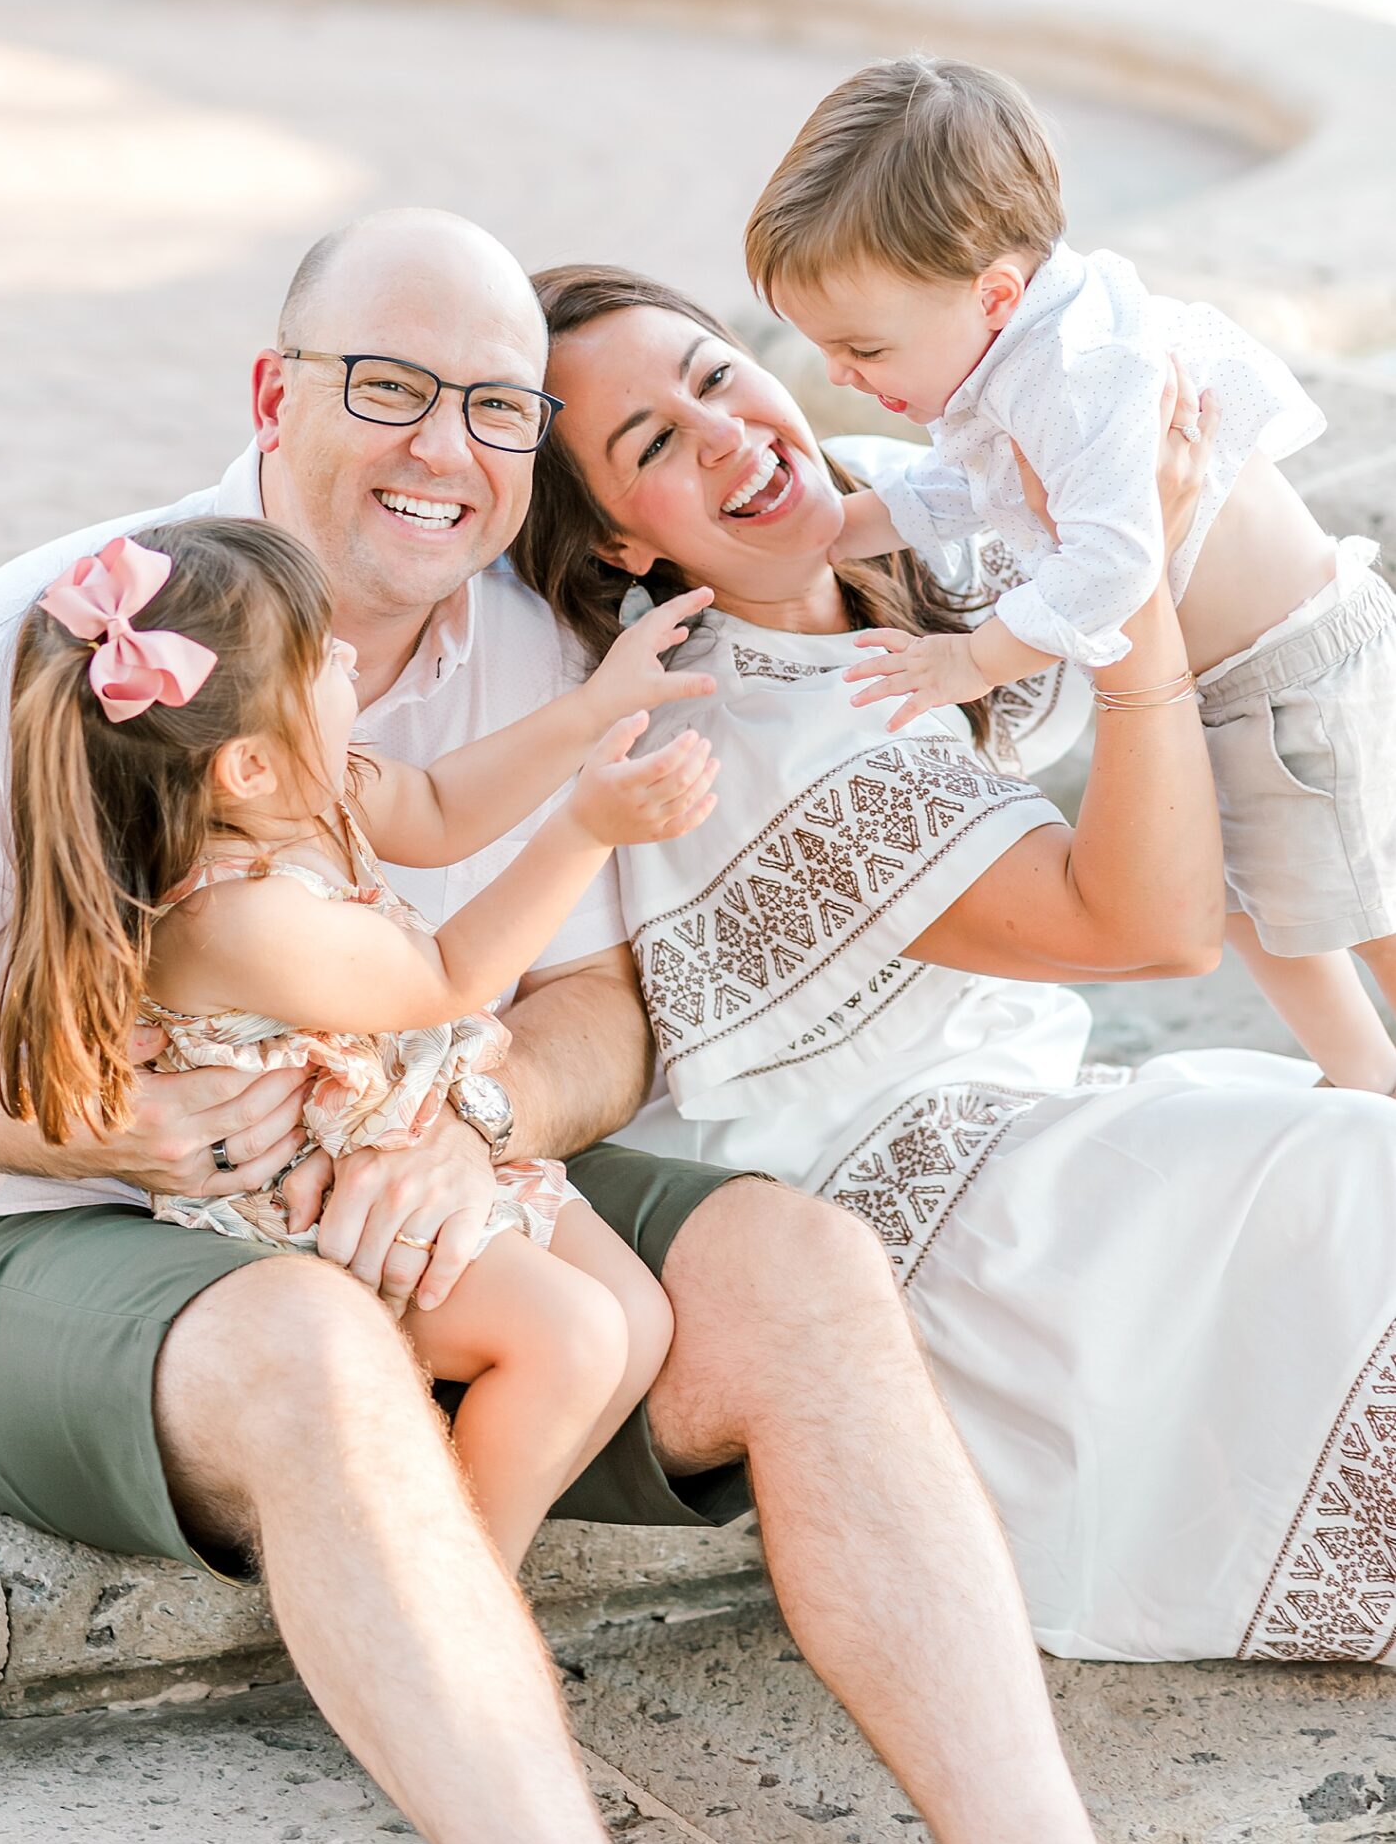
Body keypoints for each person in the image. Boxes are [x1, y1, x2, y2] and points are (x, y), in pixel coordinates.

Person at [0, 209, 1105, 1844]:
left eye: (495, 407)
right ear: (271, 392)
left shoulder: (534, 651)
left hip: (405, 1161)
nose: (444, 448)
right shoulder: (61, 638)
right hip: (66, 1228)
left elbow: (588, 1005)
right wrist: (100, 1125)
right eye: (390, 387)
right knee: (307, 1343)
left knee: (796, 1271)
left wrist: (478, 1129)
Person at [518, 260, 1396, 1665]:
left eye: (713, 378)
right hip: (911, 1218)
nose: (729, 433)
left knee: (1331, 1153)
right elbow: (1151, 930)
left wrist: (1130, 498)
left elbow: (1188, 491)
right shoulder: (754, 730)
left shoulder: (870, 514)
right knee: (1351, 1184)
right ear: (622, 544)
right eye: (656, 447)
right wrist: (1128, 601)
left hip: (1019, 1113)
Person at [1, 513, 716, 1567]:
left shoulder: (304, 787)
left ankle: (445, 1550)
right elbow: (444, 982)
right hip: (313, 1207)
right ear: (242, 764)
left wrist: (593, 707)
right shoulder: (234, 917)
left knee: (634, 1322)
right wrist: (585, 830)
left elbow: (437, 805)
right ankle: (462, 1602)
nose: (349, 661)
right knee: (569, 1339)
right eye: (323, 654)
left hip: (401, 1136)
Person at [744, 53, 1396, 1097]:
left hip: (1295, 677)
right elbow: (969, 488)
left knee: (1364, 899)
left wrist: (971, 660)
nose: (838, 378)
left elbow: (1111, 558)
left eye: (862, 346)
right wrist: (837, 524)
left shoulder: (1078, 370)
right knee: (1251, 893)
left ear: (992, 293)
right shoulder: (1007, 352)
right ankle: (1360, 1073)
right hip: (1234, 680)